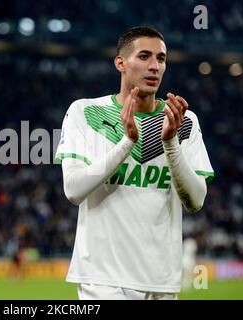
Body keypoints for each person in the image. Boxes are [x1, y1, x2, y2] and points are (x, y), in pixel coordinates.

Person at [55, 26, 214, 300]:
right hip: (103, 280)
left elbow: (195, 200)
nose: (154, 66)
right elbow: (73, 190)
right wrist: (127, 142)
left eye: (161, 59)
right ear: (121, 63)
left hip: (162, 282)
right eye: (144, 56)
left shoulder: (184, 121)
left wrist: (170, 143)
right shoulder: (85, 112)